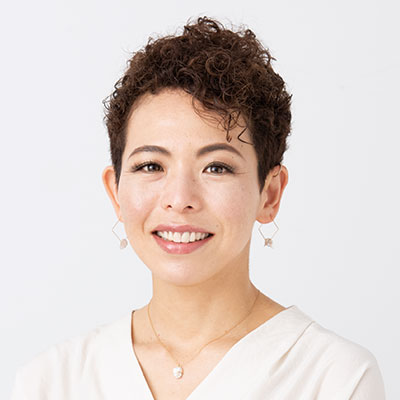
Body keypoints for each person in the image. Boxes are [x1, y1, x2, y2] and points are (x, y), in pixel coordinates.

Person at [10, 16, 385, 400]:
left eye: (216, 167)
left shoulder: (336, 378)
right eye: (151, 166)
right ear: (115, 191)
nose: (179, 198)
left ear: (270, 194)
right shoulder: (49, 382)